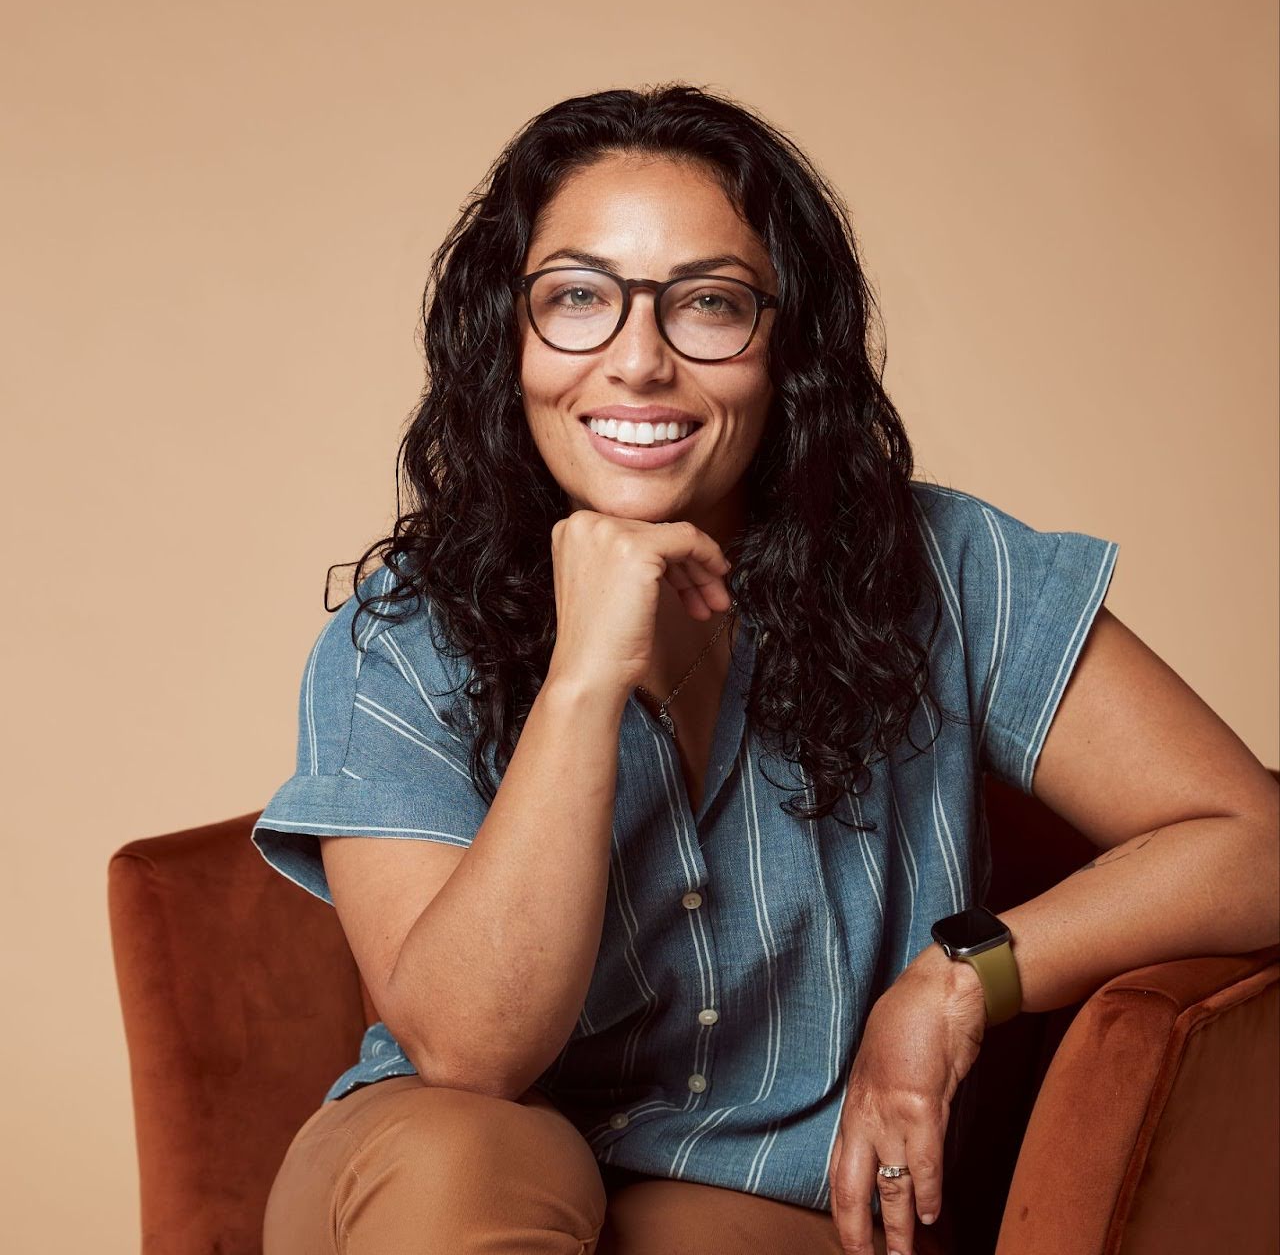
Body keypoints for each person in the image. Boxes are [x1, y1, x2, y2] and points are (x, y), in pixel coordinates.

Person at [251, 83, 1279, 1255]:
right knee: (466, 1160)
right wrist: (584, 676)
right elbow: (471, 1054)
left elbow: (1252, 839)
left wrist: (955, 983)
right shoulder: (400, 637)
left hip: (761, 1194)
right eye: (577, 297)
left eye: (706, 304)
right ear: (510, 336)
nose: (635, 361)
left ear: (785, 345)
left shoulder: (946, 569)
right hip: (440, 1154)